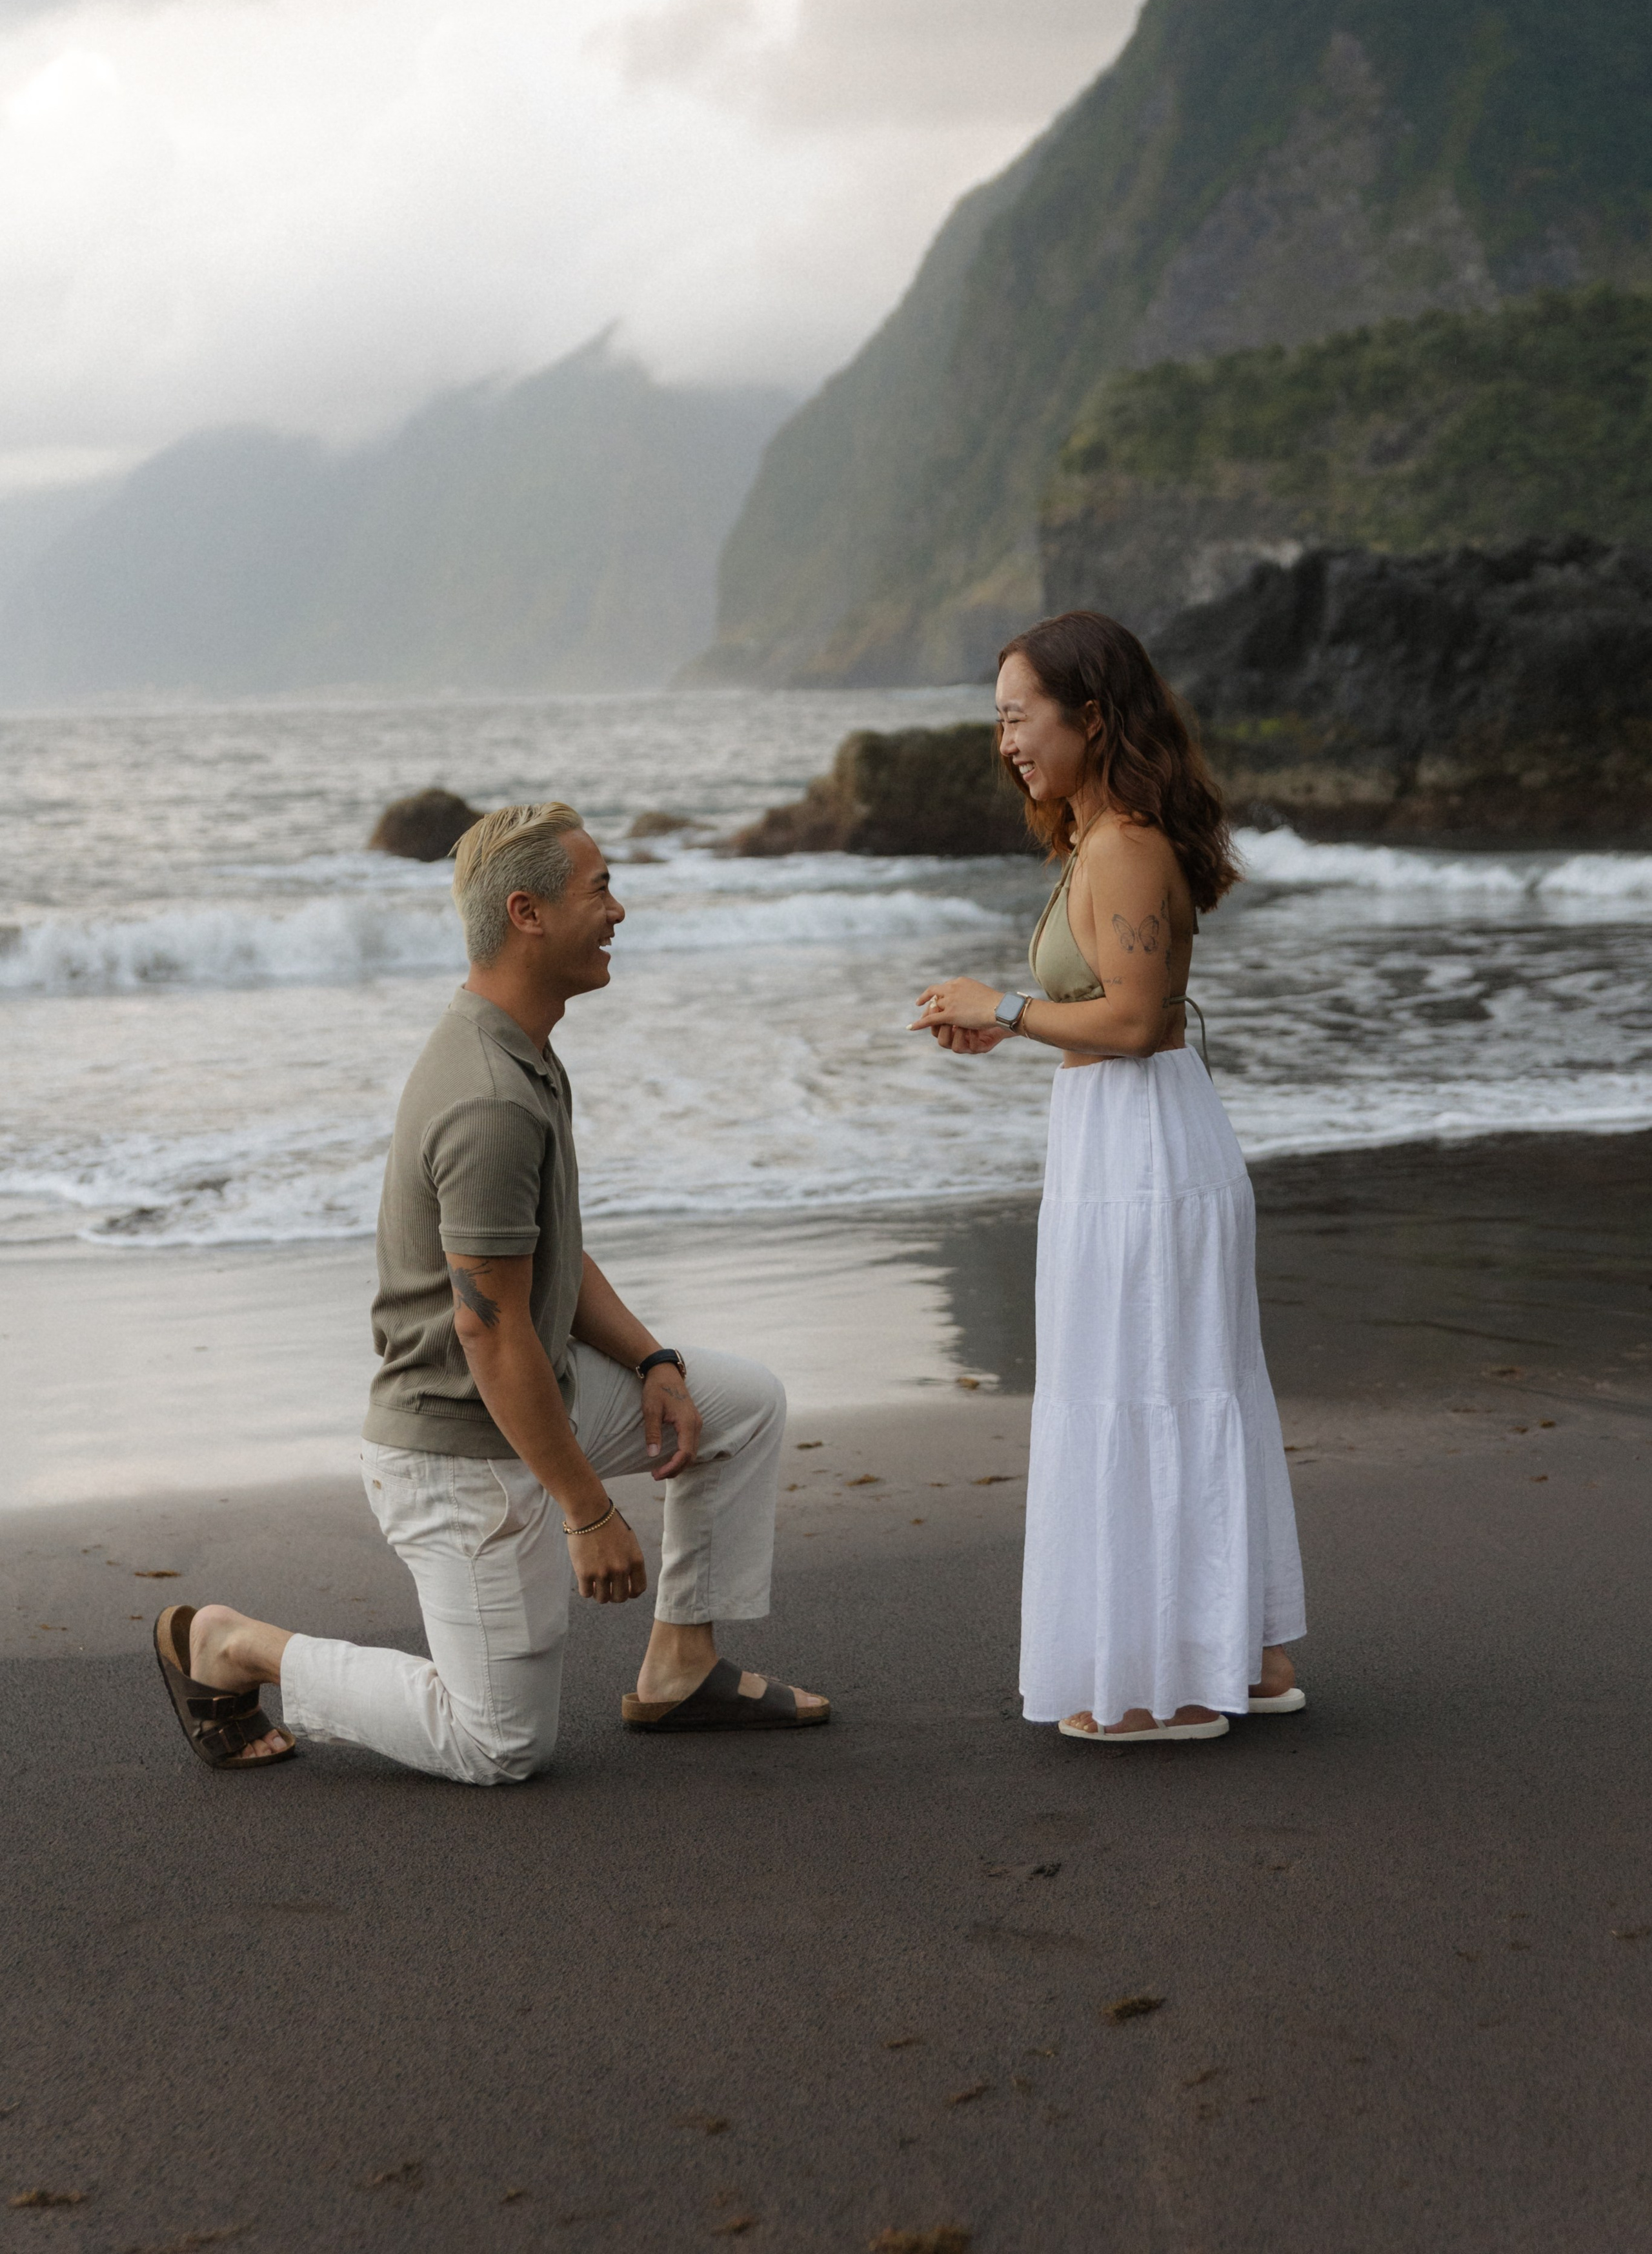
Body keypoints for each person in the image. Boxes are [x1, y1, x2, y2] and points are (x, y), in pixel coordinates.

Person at [154, 802, 828, 1779]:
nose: (619, 911)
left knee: (740, 1406)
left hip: (532, 1393)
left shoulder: (526, 1050)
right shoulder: (489, 1095)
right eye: (599, 890)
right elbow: (490, 1329)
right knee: (500, 1744)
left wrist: (654, 1362)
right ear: (527, 913)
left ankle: (682, 1667)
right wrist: (587, 1510)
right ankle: (232, 1644)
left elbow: (549, 1263)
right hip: (459, 1454)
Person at [911, 613, 1305, 1744]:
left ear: (1090, 715)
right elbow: (1113, 1015)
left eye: (1019, 717)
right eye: (998, 723)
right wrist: (1021, 1029)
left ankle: (1168, 1687)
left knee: (1145, 1384)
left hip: (1141, 1148)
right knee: (1179, 1379)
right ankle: (1250, 1654)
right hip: (1126, 1134)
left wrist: (1006, 1006)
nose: (1007, 744)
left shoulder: (1125, 844)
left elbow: (1135, 1020)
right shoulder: (1100, 840)